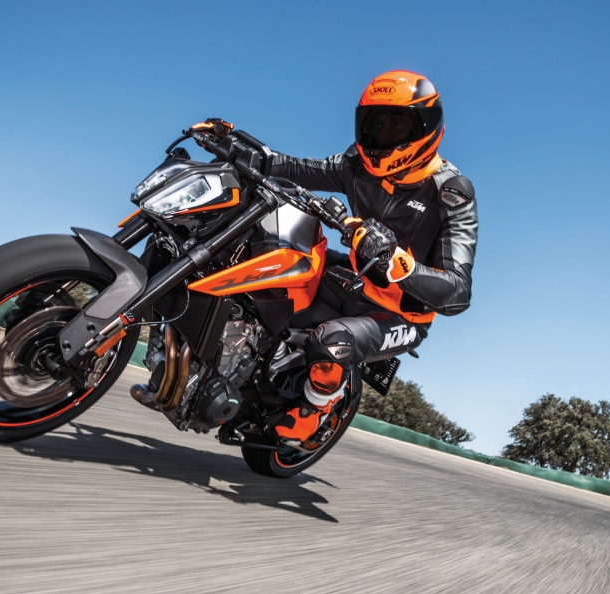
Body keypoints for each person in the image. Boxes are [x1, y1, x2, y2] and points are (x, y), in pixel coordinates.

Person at [194, 70, 478, 445]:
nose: (382, 137)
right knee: (267, 264)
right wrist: (235, 146)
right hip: (351, 280)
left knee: (331, 341)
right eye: (375, 125)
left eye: (396, 127)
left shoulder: (451, 193)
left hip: (401, 314)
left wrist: (396, 260)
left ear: (426, 128)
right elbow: (293, 167)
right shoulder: (357, 165)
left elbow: (457, 293)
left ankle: (314, 413)